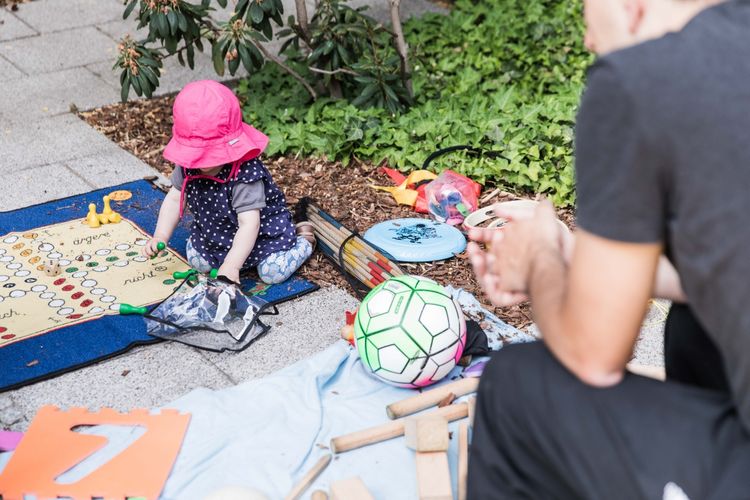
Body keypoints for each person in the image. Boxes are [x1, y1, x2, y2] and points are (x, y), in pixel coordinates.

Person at [466, 0, 750, 498]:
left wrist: (539, 262)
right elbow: (728, 266)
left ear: (630, 6)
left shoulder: (638, 81)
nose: (588, 41)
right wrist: (578, 255)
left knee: (514, 387)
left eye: (585, 13)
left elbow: (593, 356)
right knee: (691, 325)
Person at [143, 80, 314, 285]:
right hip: (218, 234)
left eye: (209, 154)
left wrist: (231, 266)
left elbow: (249, 224)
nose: (202, 163)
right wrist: (160, 235)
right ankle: (229, 258)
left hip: (262, 236)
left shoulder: (244, 174)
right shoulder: (188, 165)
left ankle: (304, 240)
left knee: (272, 274)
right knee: (198, 262)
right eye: (197, 154)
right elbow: (174, 199)